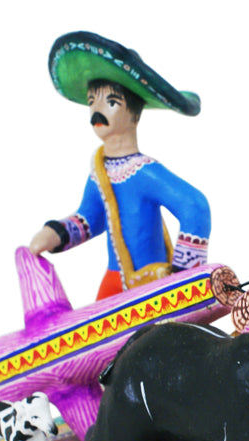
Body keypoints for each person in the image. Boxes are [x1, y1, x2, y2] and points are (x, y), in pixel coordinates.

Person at [29, 31, 211, 300]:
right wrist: (55, 233)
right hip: (113, 281)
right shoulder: (99, 173)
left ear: (135, 114)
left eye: (111, 102)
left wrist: (183, 276)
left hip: (152, 284)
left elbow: (194, 206)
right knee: (91, 328)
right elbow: (90, 218)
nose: (97, 111)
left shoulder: (145, 172)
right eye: (92, 101)